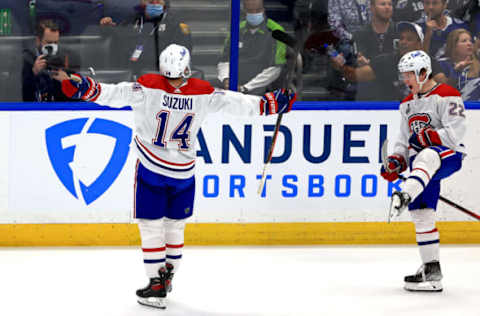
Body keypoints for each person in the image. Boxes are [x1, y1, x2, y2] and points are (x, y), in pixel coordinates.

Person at [52, 44, 296, 309]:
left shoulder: (147, 86)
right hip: (183, 173)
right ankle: (168, 276)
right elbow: (239, 103)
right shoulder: (203, 92)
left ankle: (156, 284)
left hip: (151, 169)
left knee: (151, 225)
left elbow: (112, 94)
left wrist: (82, 86)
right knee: (175, 226)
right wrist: (272, 103)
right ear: (187, 68)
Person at [381, 50, 466, 292]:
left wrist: (429, 137)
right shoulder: (407, 104)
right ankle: (432, 272)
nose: (405, 79)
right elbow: (403, 139)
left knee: (428, 154)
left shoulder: (447, 95)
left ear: (423, 72)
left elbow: (455, 134)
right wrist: (397, 160)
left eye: (409, 74)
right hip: (422, 168)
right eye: (403, 74)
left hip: (448, 156)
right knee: (422, 213)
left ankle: (404, 194)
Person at [330, 22, 445, 100]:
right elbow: (354, 75)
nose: (403, 42)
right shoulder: (385, 61)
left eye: (409, 39)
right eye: (401, 38)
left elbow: (444, 87)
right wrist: (341, 66)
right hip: (389, 114)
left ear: (419, 44)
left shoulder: (431, 63)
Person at [100, 0, 193, 77]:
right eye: (151, 2)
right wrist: (107, 26)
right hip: (132, 72)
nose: (154, 4)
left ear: (165, 4)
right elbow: (119, 35)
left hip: (159, 75)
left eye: (158, 2)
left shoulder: (175, 25)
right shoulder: (134, 19)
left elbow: (183, 55)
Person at [217, 0, 287, 95]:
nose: (254, 13)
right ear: (244, 11)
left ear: (264, 10)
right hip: (234, 83)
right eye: (250, 10)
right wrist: (226, 79)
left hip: (262, 86)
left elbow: (276, 68)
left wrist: (245, 88)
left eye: (258, 10)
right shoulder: (236, 29)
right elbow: (224, 60)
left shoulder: (277, 31)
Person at [22, 19, 81, 102]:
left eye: (55, 43)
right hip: (31, 109)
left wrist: (67, 82)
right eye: (49, 43)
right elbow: (16, 91)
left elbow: (79, 87)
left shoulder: (66, 58)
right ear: (38, 41)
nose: (53, 46)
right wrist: (33, 73)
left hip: (58, 109)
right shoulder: (26, 59)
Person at [438, 28, 480, 100]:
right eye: (464, 41)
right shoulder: (442, 64)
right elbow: (444, 90)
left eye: (470, 41)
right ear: (454, 46)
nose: (469, 43)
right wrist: (456, 71)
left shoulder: (478, 64)